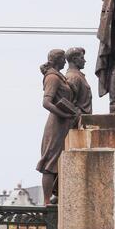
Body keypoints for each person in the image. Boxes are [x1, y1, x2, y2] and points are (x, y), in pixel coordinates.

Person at [36, 49, 78, 205]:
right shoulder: (52, 78)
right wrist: (65, 114)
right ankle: (47, 202)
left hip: (64, 123)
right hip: (56, 124)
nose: (65, 62)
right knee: (50, 162)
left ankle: (58, 196)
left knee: (60, 160)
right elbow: (46, 102)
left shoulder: (59, 77)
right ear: (56, 60)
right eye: (62, 59)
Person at [65, 47, 92, 115]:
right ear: (74, 59)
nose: (84, 61)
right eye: (82, 58)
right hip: (79, 120)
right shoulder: (73, 77)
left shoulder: (79, 76)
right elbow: (69, 103)